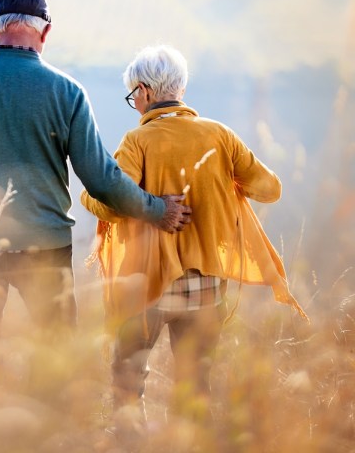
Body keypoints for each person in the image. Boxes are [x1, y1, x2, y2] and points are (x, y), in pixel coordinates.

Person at [0, 0, 192, 341]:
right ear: (46, 32)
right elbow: (101, 179)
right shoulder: (67, 92)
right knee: (56, 353)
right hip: (45, 248)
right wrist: (157, 209)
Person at [80, 44, 308, 432]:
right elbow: (270, 189)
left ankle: (130, 442)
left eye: (133, 95)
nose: (135, 104)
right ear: (180, 89)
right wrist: (223, 181)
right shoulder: (220, 136)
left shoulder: (137, 141)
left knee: (128, 378)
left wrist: (89, 194)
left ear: (144, 92)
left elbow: (111, 203)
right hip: (205, 289)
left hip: (147, 286)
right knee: (196, 382)